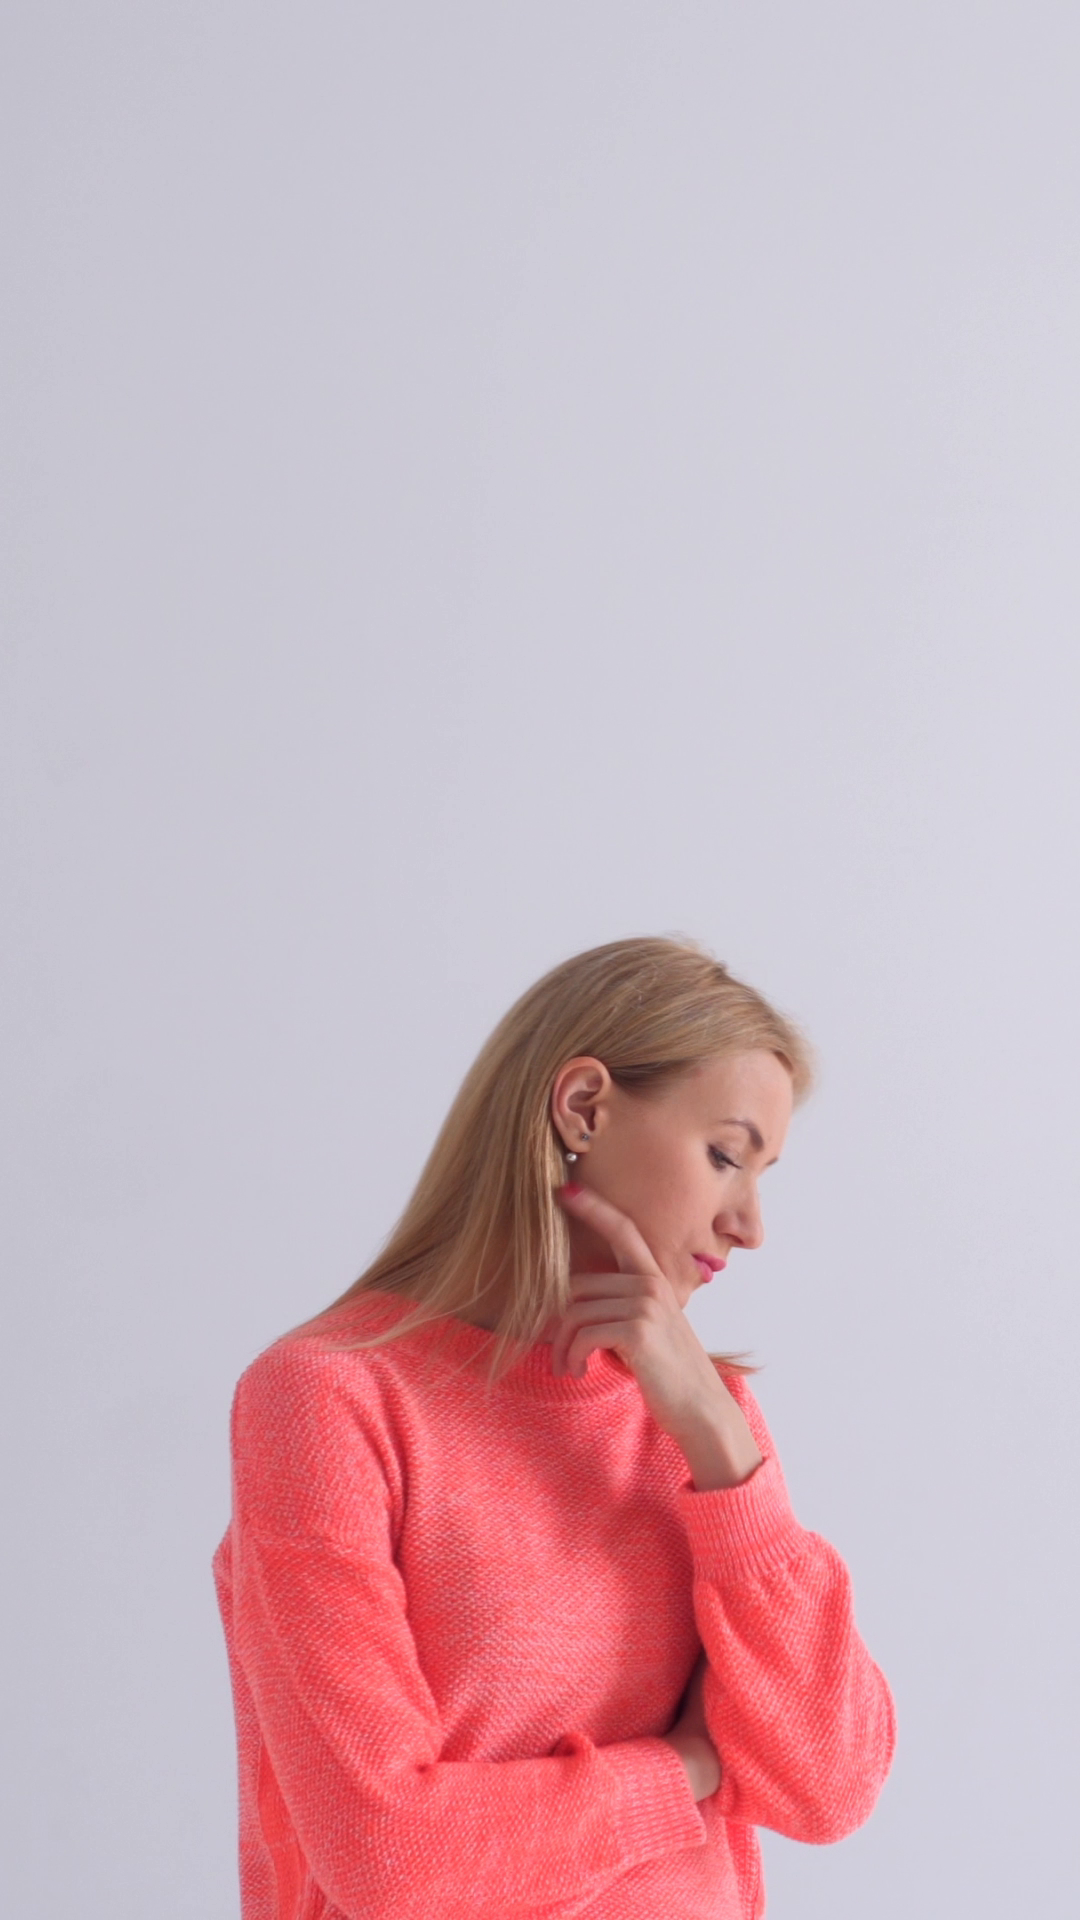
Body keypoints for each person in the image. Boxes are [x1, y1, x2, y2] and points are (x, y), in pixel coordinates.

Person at [213, 936, 895, 1919]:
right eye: (724, 1157)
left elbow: (828, 1788)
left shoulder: (704, 1423)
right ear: (582, 1107)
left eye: (763, 1175)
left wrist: (719, 1440)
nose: (750, 1225)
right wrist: (689, 1768)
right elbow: (389, 1857)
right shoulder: (328, 1400)